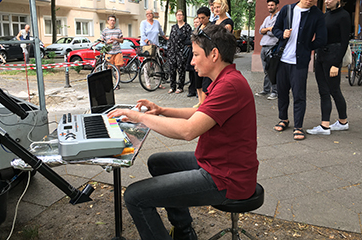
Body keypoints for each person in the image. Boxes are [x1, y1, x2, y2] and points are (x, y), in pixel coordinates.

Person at [108, 24, 259, 240]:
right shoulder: (224, 80)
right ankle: (185, 231)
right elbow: (199, 111)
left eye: (196, 54)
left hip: (226, 177)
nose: (192, 60)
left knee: (134, 196)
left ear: (214, 54)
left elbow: (188, 131)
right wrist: (160, 110)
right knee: (158, 163)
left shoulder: (229, 86)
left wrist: (139, 117)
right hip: (218, 163)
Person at [272, 0, 327, 141]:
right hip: (282, 60)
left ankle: (298, 126)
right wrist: (282, 34)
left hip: (299, 62)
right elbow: (276, 29)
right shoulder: (287, 10)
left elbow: (322, 39)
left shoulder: (317, 15)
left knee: (299, 95)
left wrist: (306, 47)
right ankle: (283, 119)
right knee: (282, 93)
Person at [307, 0, 350, 135]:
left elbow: (345, 42)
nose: (326, 1)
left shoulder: (343, 16)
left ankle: (336, 123)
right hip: (321, 55)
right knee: (323, 90)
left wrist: (336, 64)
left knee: (334, 90)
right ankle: (333, 123)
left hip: (333, 56)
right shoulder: (325, 15)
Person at [255, 0, 280, 100]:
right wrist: (268, 29)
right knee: (266, 70)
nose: (270, 7)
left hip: (273, 46)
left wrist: (268, 30)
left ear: (277, 6)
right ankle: (266, 90)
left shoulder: (279, 18)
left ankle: (275, 91)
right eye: (269, 5)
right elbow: (261, 30)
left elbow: (274, 32)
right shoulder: (267, 18)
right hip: (264, 46)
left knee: (273, 70)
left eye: (272, 5)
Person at [140, 9, 168, 89]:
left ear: (153, 14)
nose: (149, 15)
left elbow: (161, 32)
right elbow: (142, 34)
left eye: (150, 13)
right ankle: (148, 83)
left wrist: (165, 38)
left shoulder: (156, 23)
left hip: (155, 46)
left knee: (157, 65)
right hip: (146, 46)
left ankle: (158, 83)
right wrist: (148, 42)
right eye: (147, 14)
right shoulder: (143, 23)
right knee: (147, 65)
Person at [167, 10, 192, 94]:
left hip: (181, 51)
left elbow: (189, 39)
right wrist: (169, 49)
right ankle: (172, 86)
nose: (179, 16)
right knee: (172, 69)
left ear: (183, 16)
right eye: (177, 15)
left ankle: (180, 86)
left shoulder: (187, 27)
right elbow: (170, 39)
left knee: (181, 69)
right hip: (172, 51)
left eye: (181, 15)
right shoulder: (173, 27)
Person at [194, 7, 212, 108]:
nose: (201, 20)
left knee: (206, 81)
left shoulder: (211, 27)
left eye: (203, 18)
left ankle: (204, 103)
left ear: (208, 17)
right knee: (198, 80)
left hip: (206, 55)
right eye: (199, 18)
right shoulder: (198, 27)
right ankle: (200, 101)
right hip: (197, 55)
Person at [101, 15, 124, 90]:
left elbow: (122, 40)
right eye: (111, 20)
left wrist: (116, 39)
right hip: (109, 52)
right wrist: (107, 42)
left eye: (113, 20)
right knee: (109, 68)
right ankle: (109, 83)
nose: (112, 22)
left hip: (117, 51)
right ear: (108, 21)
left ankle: (117, 83)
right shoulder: (104, 31)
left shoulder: (118, 30)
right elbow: (102, 41)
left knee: (117, 68)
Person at [186, 17, 201, 98]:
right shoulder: (192, 32)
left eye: (197, 22)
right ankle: (191, 90)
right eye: (194, 22)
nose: (195, 24)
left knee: (197, 73)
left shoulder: (201, 31)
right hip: (191, 54)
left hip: (198, 53)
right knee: (191, 73)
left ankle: (197, 90)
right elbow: (187, 41)